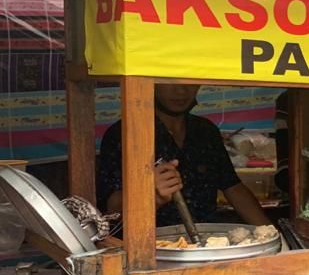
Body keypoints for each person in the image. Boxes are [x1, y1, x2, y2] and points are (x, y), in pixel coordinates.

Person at [97, 83, 270, 227]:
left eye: (188, 80)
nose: (181, 90)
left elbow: (233, 188)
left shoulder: (205, 131)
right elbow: (112, 211)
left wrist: (274, 237)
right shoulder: (125, 134)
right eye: (169, 80)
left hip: (206, 244)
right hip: (151, 250)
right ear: (151, 82)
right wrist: (146, 193)